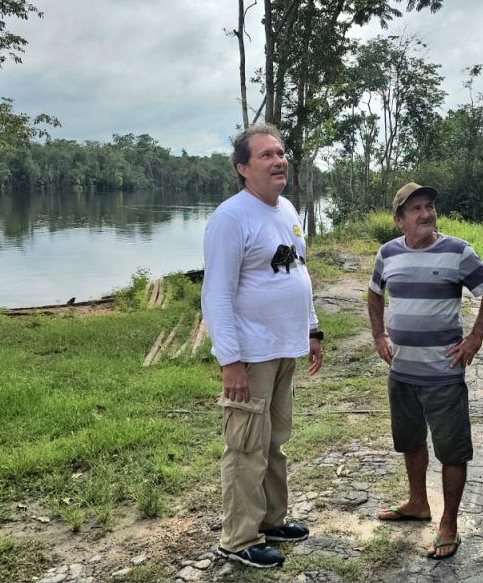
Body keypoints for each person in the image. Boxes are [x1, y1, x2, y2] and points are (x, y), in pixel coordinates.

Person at [201, 124, 323, 569]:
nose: (278, 160)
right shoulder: (231, 218)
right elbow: (215, 295)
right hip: (250, 355)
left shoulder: (285, 208)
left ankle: (271, 520)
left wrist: (312, 330)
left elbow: (298, 273)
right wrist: (229, 360)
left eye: (281, 152)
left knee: (275, 441)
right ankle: (237, 537)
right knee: (246, 446)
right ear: (243, 168)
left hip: (283, 349)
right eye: (267, 155)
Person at [367, 182, 483, 560]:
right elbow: (375, 292)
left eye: (430, 207)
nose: (426, 214)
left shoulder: (457, 252)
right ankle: (416, 503)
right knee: (410, 440)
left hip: (443, 375)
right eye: (416, 209)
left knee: (452, 450)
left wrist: (474, 338)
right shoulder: (387, 253)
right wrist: (379, 335)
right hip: (402, 372)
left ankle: (448, 524)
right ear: (399, 220)